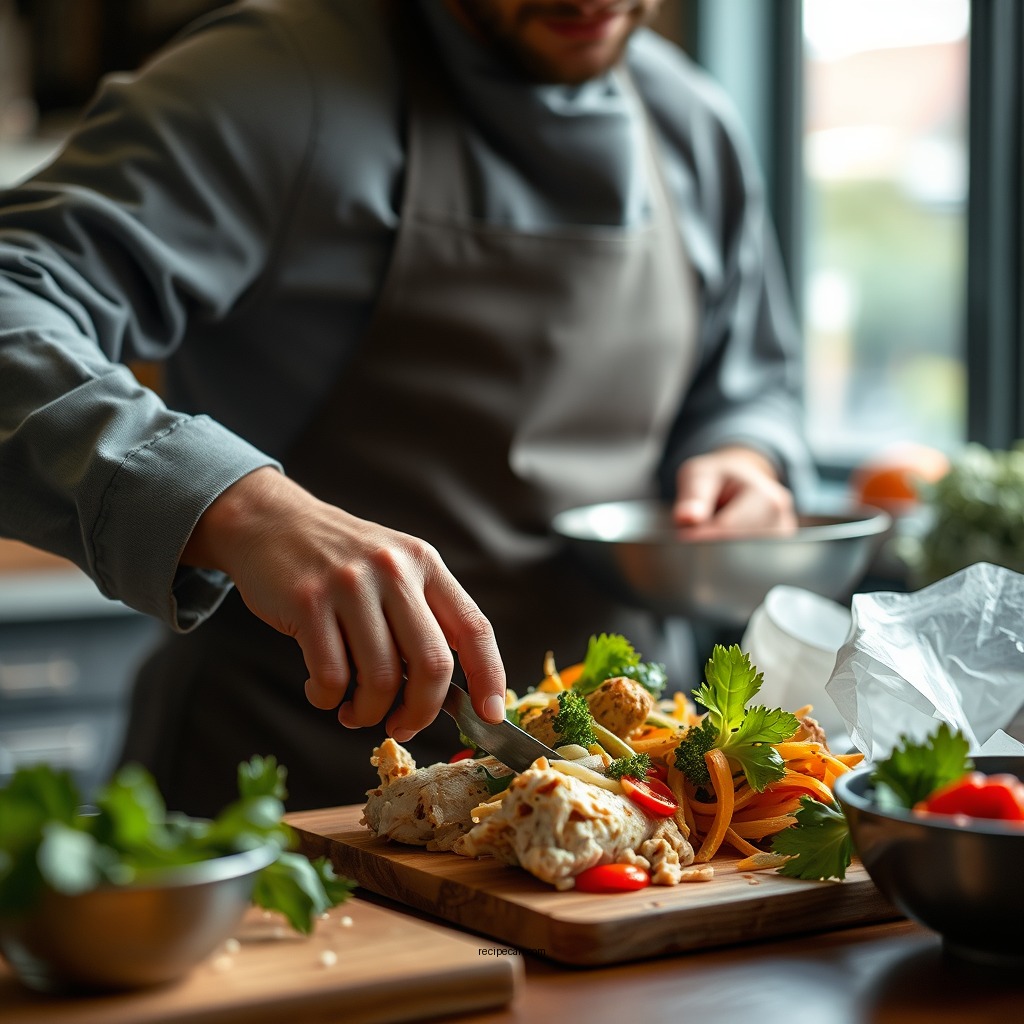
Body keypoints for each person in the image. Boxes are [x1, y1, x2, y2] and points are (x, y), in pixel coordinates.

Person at [0, 0, 814, 815]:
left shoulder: (690, 121)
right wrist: (237, 505)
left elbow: (744, 384)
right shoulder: (273, 80)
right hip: (301, 798)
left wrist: (743, 456)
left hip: (621, 812)